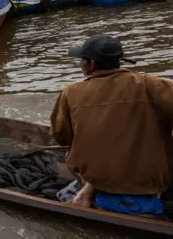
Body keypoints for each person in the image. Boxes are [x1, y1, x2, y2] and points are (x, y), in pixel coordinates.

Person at [50, 35, 173, 215]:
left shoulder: (71, 92)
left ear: (90, 64)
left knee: (75, 153)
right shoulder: (152, 84)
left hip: (100, 177)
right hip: (151, 179)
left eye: (82, 60)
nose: (81, 64)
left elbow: (61, 136)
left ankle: (89, 189)